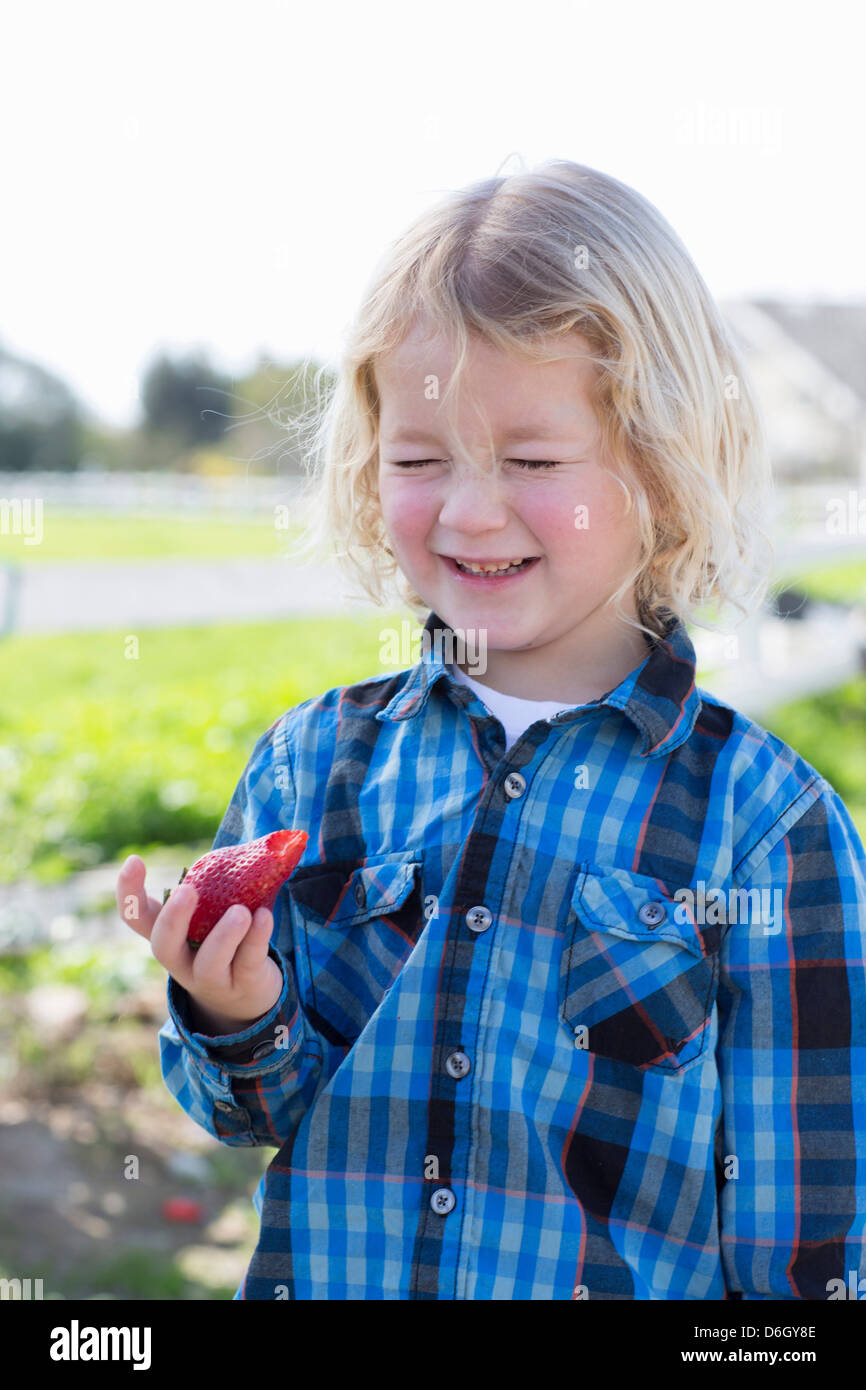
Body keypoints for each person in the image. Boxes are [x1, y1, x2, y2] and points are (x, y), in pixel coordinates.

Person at [116, 158, 866, 1300]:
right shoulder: (313, 768)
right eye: (418, 461)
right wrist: (234, 1008)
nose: (468, 509)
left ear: (659, 467)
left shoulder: (767, 830)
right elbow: (249, 1112)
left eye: (530, 461)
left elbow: (805, 1256)